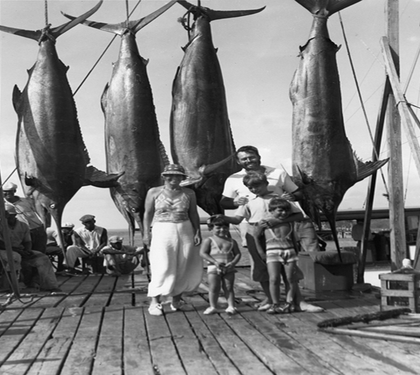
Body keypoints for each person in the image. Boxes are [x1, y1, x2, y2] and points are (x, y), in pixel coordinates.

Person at [223, 172, 304, 311]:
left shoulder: (279, 199)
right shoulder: (248, 201)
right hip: (255, 233)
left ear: (266, 184)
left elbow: (299, 215)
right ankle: (272, 300)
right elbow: (237, 219)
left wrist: (277, 220)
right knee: (262, 266)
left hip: (278, 236)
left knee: (288, 270)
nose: (254, 189)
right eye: (250, 187)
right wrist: (221, 218)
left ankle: (291, 301)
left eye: (257, 186)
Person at [220, 145, 319, 253]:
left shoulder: (278, 173)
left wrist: (293, 197)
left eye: (252, 157)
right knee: (259, 259)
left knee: (289, 253)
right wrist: (235, 203)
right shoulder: (233, 178)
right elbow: (224, 202)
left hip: (283, 220)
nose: (248, 160)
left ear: (259, 157)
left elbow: (298, 193)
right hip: (253, 223)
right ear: (238, 162)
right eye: (244, 159)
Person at [143, 164, 203, 316]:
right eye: (170, 175)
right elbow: (147, 214)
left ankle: (177, 299)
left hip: (185, 229)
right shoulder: (153, 192)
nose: (173, 178)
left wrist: (197, 232)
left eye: (178, 176)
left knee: (183, 264)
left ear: (182, 178)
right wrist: (146, 233)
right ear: (164, 176)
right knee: (161, 265)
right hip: (162, 230)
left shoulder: (189, 193)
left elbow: (194, 214)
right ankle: (155, 301)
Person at [0, 203, 60, 291]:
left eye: (7, 214)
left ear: (14, 215)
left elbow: (27, 241)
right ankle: (11, 286)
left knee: (42, 258)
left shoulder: (23, 226)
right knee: (14, 258)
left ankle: (50, 286)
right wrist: (18, 251)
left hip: (20, 250)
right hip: (3, 251)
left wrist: (28, 251)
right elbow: (1, 243)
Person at [258, 197, 303, 314]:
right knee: (274, 279)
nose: (284, 213)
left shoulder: (289, 222)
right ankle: (275, 303)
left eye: (286, 211)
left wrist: (296, 251)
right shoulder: (264, 223)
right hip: (272, 252)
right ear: (271, 211)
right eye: (280, 210)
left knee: (290, 278)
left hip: (290, 252)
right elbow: (256, 237)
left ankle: (289, 302)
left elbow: (293, 238)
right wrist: (261, 253)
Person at [200, 215, 241, 315]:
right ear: (211, 228)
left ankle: (231, 306)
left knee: (228, 287)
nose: (222, 230)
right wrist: (215, 262)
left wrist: (233, 263)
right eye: (218, 228)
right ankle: (213, 306)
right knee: (214, 287)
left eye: (225, 227)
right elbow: (203, 253)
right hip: (214, 267)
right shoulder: (208, 240)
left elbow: (238, 254)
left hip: (229, 268)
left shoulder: (232, 241)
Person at [3, 181, 47, 253]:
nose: (8, 193)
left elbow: (42, 210)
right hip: (21, 233)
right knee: (25, 254)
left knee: (40, 253)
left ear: (14, 191)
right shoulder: (2, 205)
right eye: (5, 191)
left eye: (10, 191)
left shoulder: (26, 201)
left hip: (37, 230)